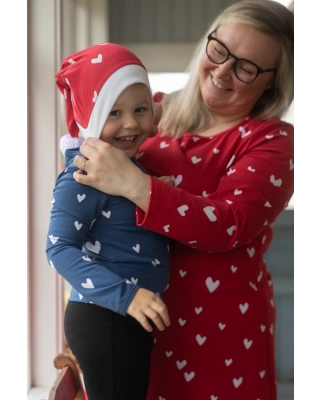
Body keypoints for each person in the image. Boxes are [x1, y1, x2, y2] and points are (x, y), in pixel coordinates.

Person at [72, 0, 295, 399]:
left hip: (221, 330)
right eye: (219, 50)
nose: (222, 71)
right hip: (127, 315)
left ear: (273, 83)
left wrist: (133, 183)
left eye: (245, 67)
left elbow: (231, 223)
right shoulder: (148, 114)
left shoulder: (271, 139)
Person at [46, 43, 172, 400]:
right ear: (90, 115)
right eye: (113, 112)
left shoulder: (123, 166)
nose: (131, 123)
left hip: (123, 318)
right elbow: (58, 248)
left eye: (140, 109)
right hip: (107, 316)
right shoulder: (83, 171)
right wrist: (127, 296)